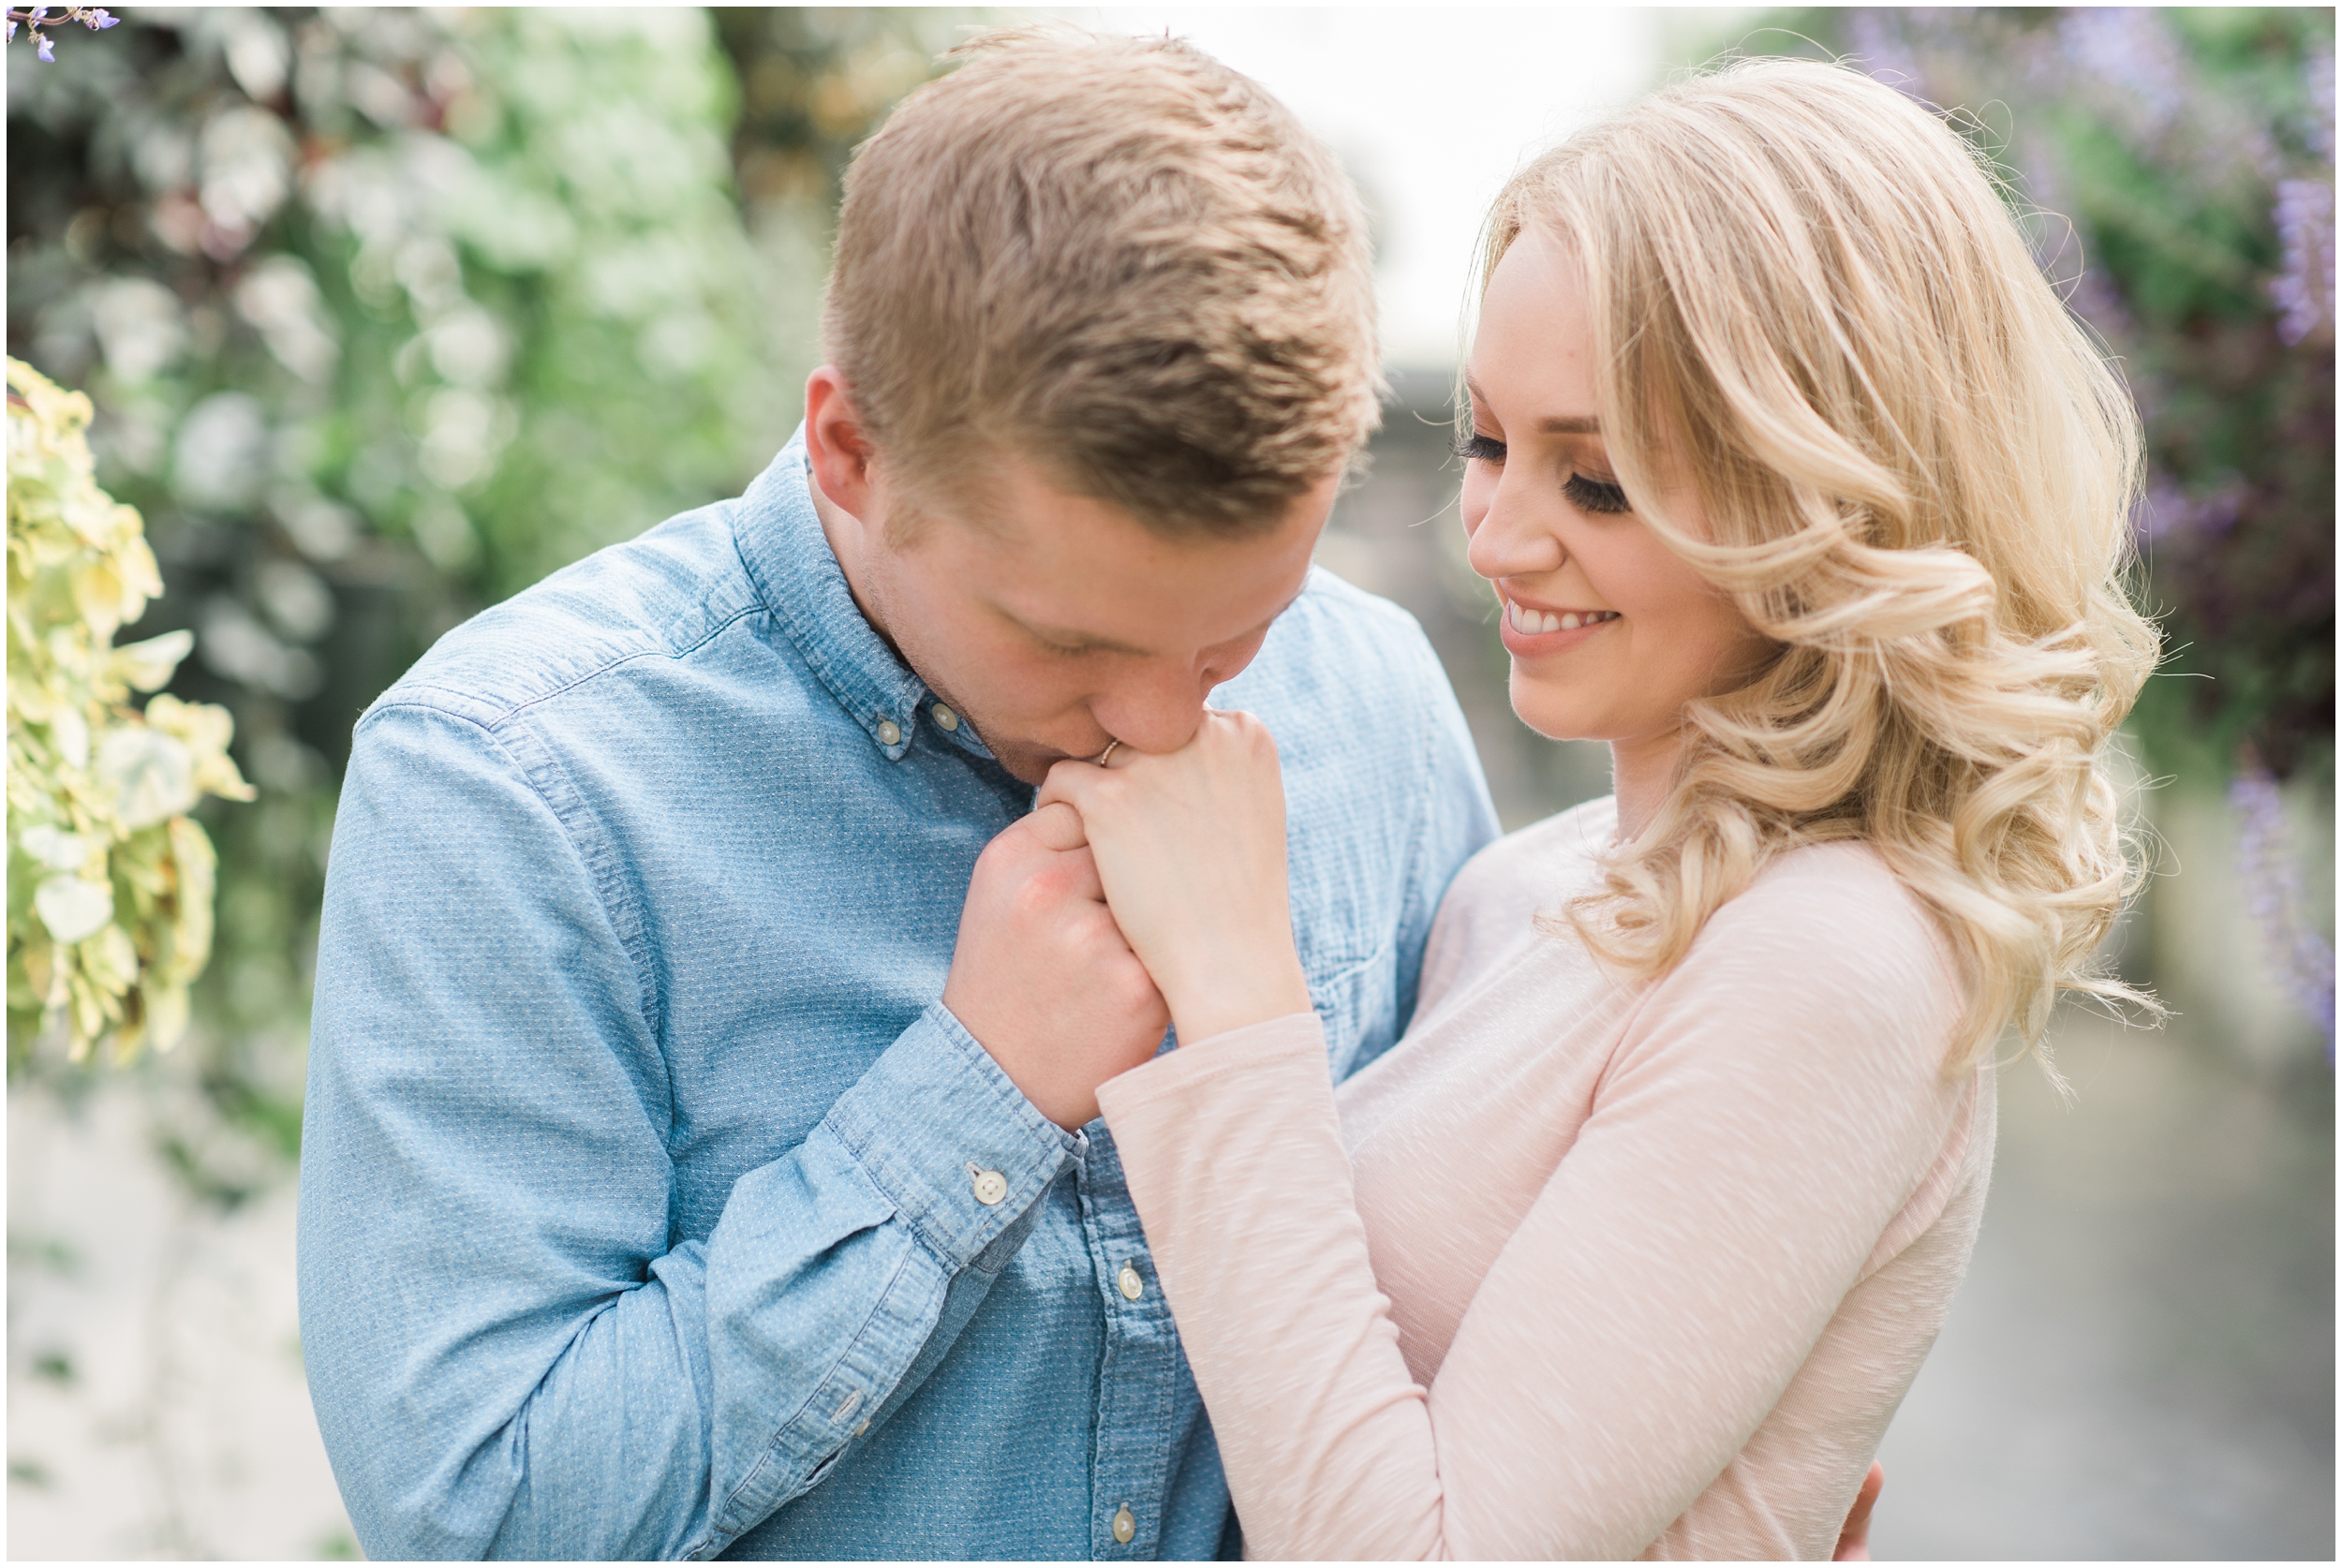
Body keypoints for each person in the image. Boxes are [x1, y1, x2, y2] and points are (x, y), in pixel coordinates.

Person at [296, 26, 1496, 1561]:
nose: (1159, 718)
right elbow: (485, 1510)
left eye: (1235, 632)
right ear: (852, 450)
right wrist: (973, 1094)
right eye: (1068, 639)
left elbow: (1491, 1317)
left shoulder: (1372, 696)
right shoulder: (515, 789)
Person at [1046, 58, 2157, 1560]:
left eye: (1603, 483)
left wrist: (1235, 990)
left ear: (1828, 503)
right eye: (1492, 443)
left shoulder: (1833, 958)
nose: (1497, 534)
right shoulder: (1528, 886)